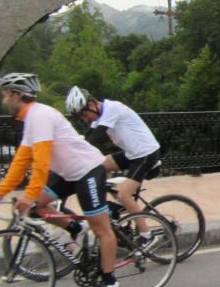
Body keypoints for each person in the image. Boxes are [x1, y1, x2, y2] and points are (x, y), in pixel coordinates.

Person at [0, 73, 121, 287]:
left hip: (88, 169)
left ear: (17, 95)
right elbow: (21, 161)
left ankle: (108, 279)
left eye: (5, 95)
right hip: (69, 173)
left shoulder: (41, 117)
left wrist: (28, 195)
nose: (3, 101)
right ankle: (76, 228)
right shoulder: (30, 119)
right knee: (35, 208)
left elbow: (41, 162)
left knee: (100, 228)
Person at [66, 87, 161, 245]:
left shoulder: (112, 108)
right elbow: (88, 135)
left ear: (91, 104)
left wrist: (80, 151)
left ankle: (147, 235)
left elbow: (97, 136)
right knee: (98, 166)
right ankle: (118, 206)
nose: (85, 119)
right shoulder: (98, 114)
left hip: (145, 154)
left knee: (125, 195)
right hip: (131, 153)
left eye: (84, 115)